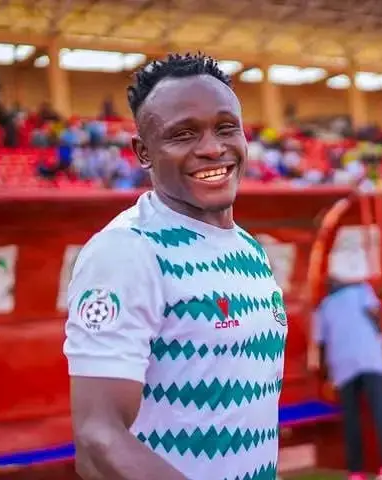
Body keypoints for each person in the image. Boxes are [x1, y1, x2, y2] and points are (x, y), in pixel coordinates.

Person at [63, 53, 288, 480]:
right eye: (183, 134)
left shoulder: (249, 249)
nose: (212, 148)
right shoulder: (127, 251)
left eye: (226, 127)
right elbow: (97, 438)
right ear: (143, 152)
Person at [314, 278, 382, 480]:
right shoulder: (361, 290)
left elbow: (321, 345)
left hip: (342, 365)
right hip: (369, 359)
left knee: (352, 420)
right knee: (381, 414)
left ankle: (356, 472)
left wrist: (326, 375)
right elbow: (376, 315)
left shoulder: (323, 306)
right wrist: (379, 334)